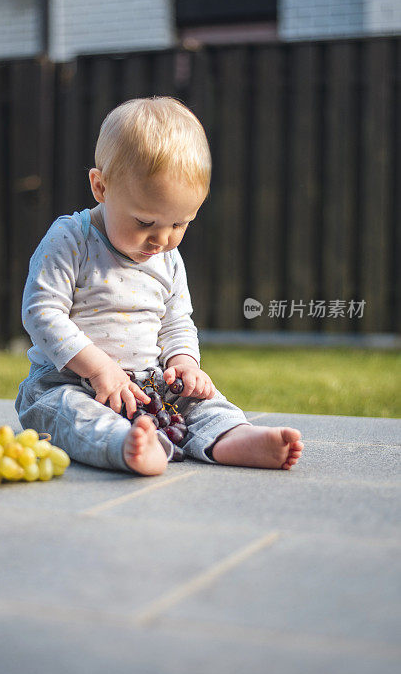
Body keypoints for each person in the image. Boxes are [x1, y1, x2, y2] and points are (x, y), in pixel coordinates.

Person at [15, 97, 303, 476]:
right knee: (69, 414)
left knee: (205, 403)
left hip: (152, 386)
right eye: (145, 221)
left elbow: (176, 320)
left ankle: (233, 439)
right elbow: (41, 312)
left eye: (180, 224)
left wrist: (184, 363)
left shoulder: (166, 257)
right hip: (66, 380)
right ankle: (126, 445)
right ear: (100, 187)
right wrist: (99, 369)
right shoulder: (71, 239)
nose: (162, 239)